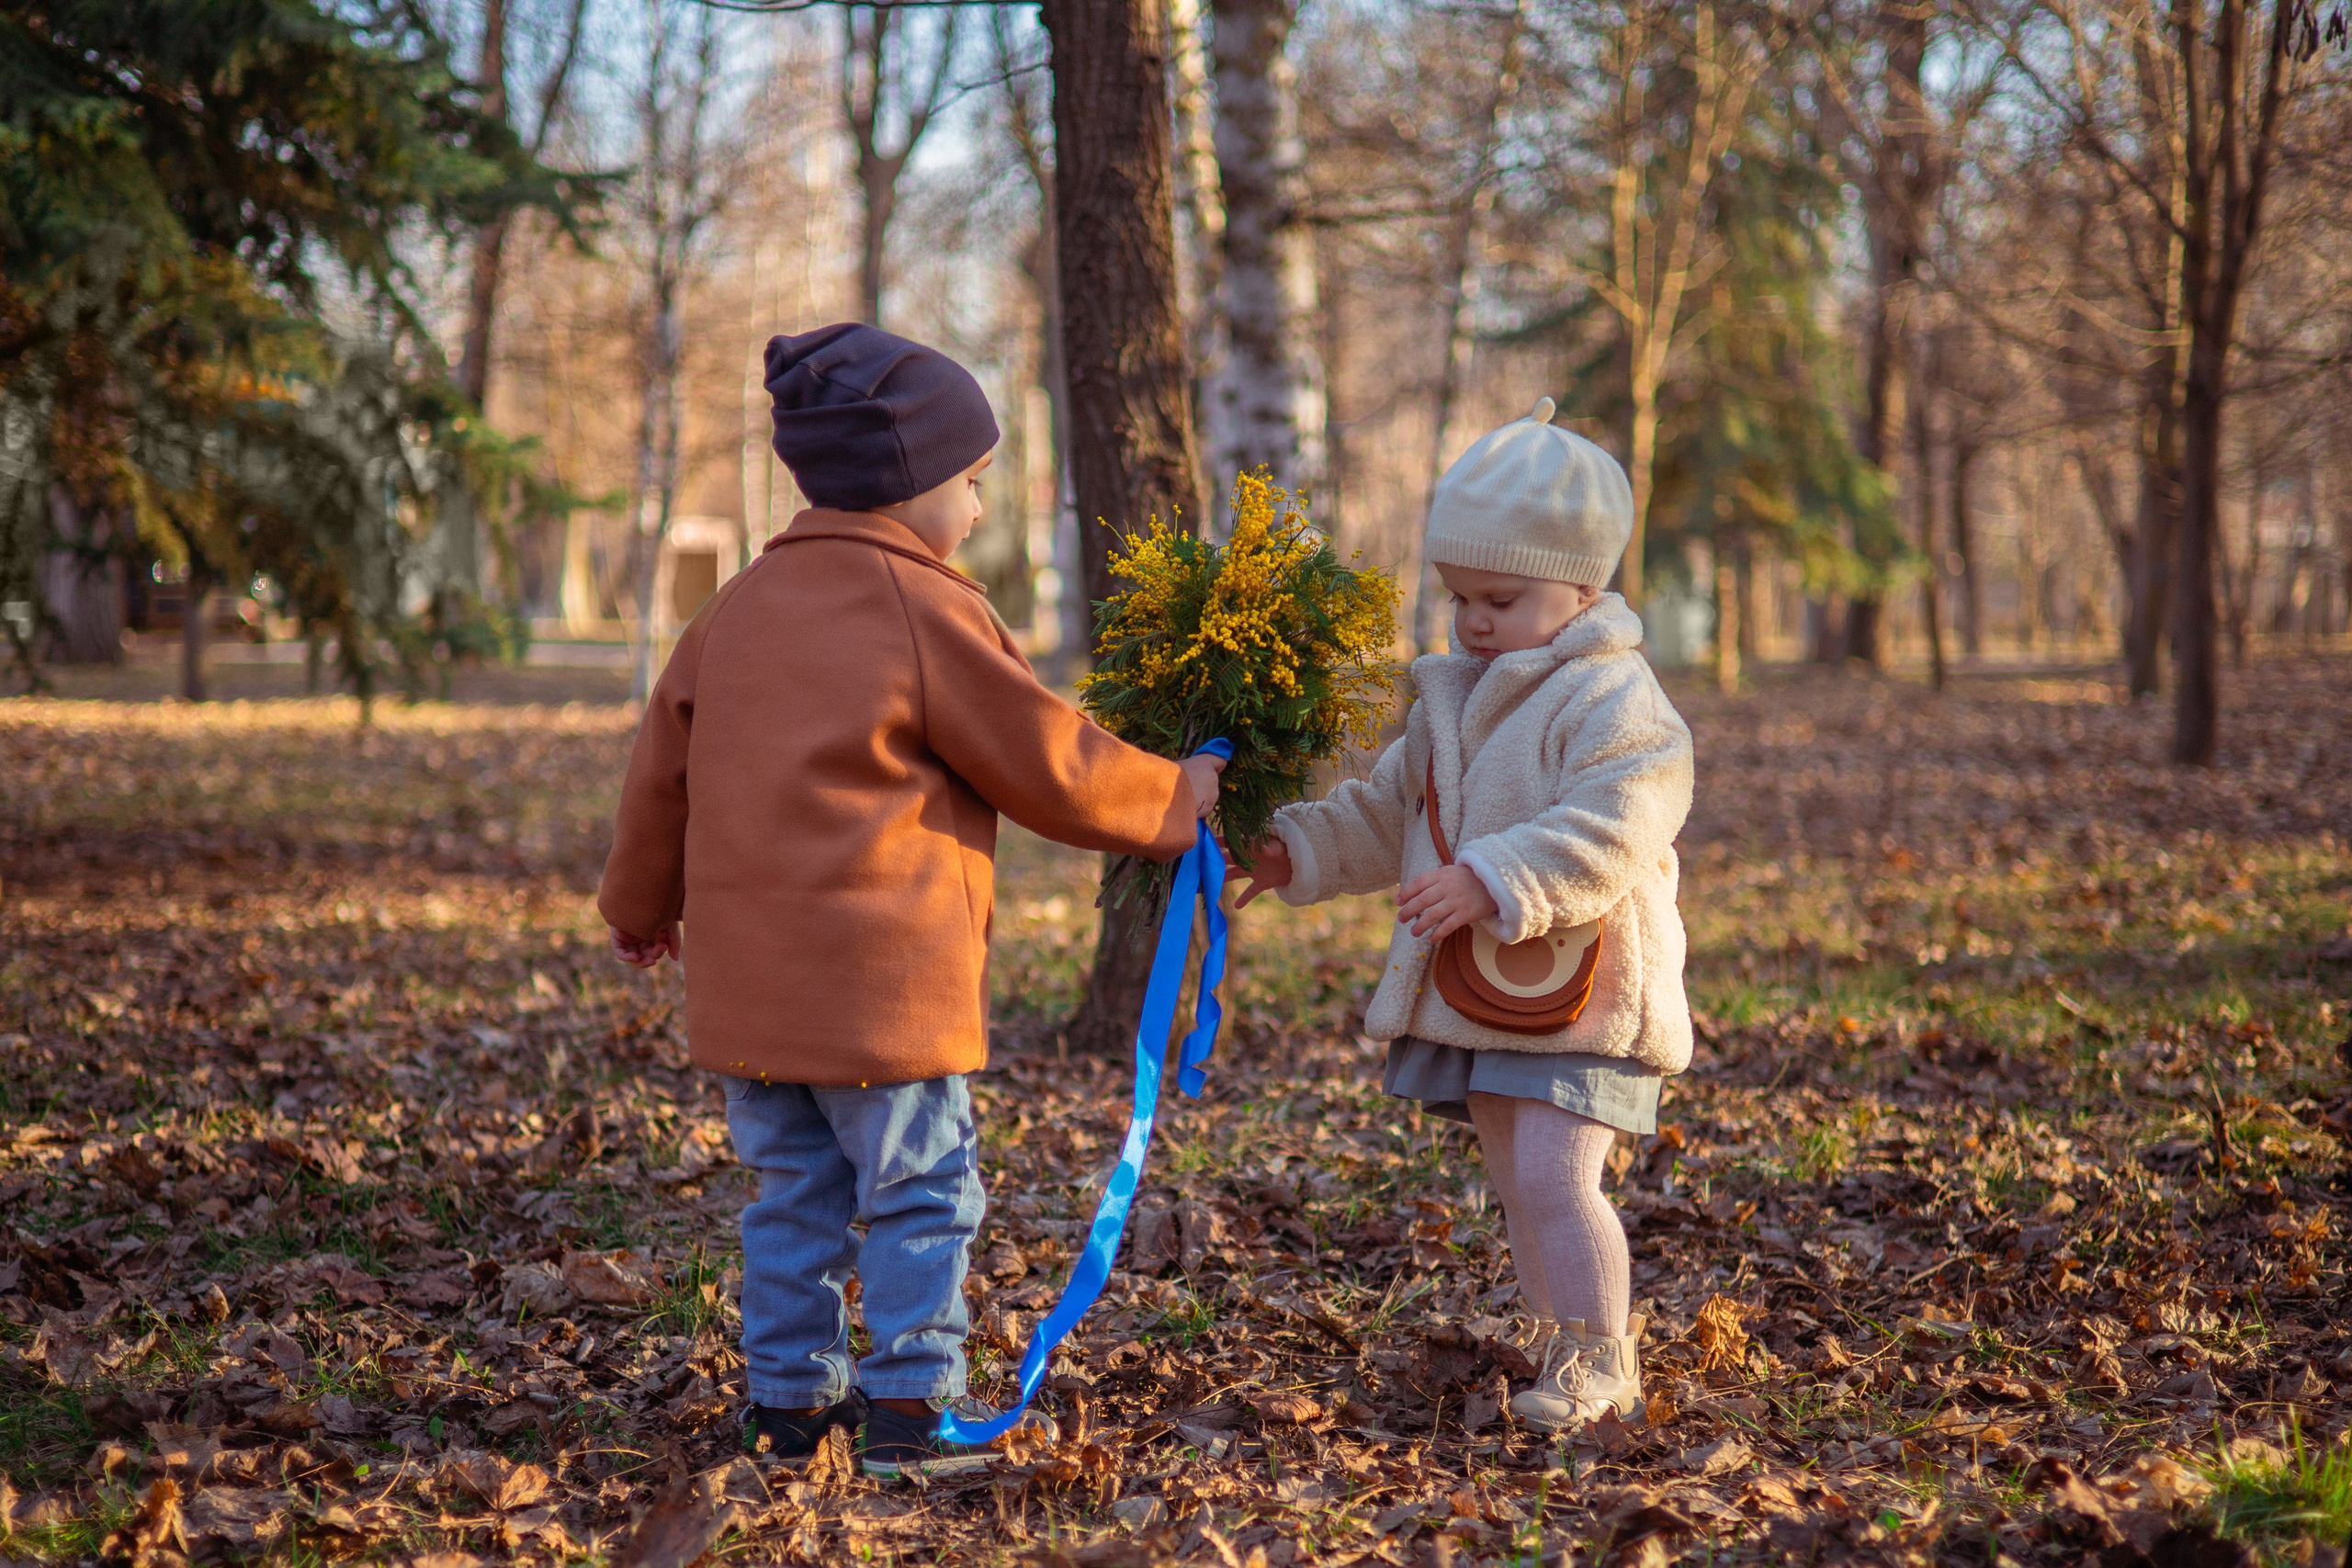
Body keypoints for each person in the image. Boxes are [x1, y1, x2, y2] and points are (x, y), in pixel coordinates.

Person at [598, 323, 1227, 1477]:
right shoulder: (923, 610)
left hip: (754, 997)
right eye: (972, 483)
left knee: (791, 1196)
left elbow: (661, 776)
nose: (980, 510)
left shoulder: (733, 611)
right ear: (907, 484)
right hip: (883, 991)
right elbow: (1047, 757)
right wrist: (1178, 800)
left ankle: (788, 1408)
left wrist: (638, 907)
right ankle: (909, 1410)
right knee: (921, 1191)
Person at [1232, 397, 1693, 1434]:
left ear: (1581, 587)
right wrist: (1294, 847)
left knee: (1554, 1166)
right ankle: (1559, 1338)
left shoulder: (1613, 698)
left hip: (1585, 983)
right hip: (1480, 991)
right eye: (1459, 600)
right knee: (1511, 1170)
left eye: (1501, 598)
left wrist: (1494, 877)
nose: (1475, 621)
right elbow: (1388, 806)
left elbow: (1623, 818)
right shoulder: (1448, 694)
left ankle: (1600, 1359)